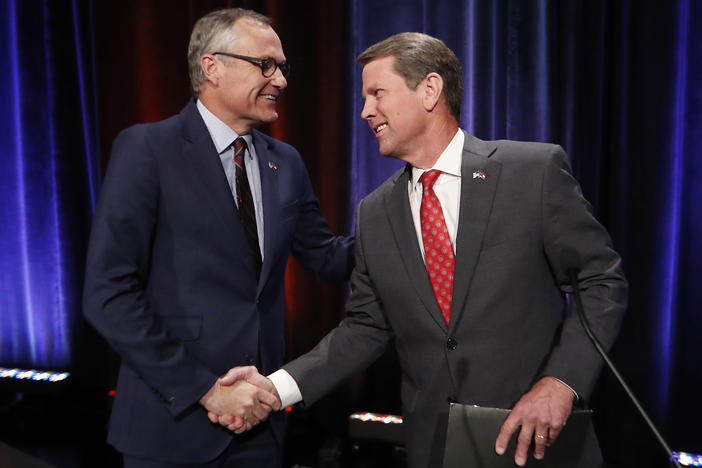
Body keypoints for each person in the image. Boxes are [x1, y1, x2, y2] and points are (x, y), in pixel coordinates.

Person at [214, 32, 627, 467]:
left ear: (430, 90)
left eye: (377, 93)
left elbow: (603, 281)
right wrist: (275, 388)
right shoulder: (374, 213)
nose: (365, 111)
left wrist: (561, 383)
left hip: (538, 443)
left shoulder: (531, 173)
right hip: (435, 448)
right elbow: (364, 329)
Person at [82, 8, 353, 467]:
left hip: (260, 426)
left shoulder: (285, 162)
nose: (281, 80)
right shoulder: (147, 150)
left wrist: (407, 215)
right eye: (265, 65)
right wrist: (205, 390)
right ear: (212, 66)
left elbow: (327, 259)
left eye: (283, 67)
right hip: (171, 426)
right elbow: (107, 294)